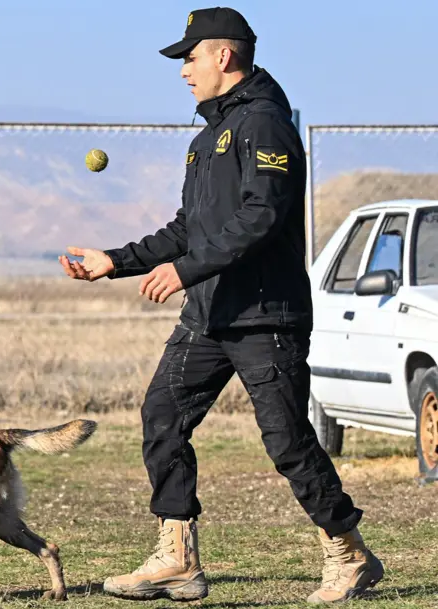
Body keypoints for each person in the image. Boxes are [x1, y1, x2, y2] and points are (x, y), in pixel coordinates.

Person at [59, 7, 383, 605]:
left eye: (190, 56)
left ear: (223, 57)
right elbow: (190, 228)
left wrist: (183, 272)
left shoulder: (265, 124)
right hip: (209, 315)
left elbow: (261, 217)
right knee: (162, 414)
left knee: (287, 441)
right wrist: (115, 259)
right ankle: (177, 557)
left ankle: (348, 551)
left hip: (265, 314)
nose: (183, 70)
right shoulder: (206, 137)